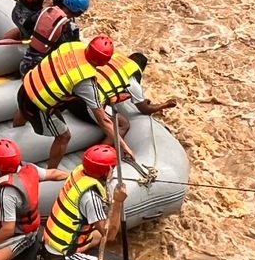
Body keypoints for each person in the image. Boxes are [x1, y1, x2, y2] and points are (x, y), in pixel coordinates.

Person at [14, 36, 169, 170]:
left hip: (26, 87)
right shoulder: (86, 82)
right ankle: (52, 171)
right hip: (39, 105)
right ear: (104, 62)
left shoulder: (73, 46)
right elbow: (104, 121)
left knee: (24, 109)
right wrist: (125, 147)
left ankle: (15, 130)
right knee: (64, 137)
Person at [39, 144, 127, 260]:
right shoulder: (91, 198)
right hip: (63, 255)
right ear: (107, 170)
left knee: (94, 235)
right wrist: (118, 202)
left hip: (55, 239)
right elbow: (110, 235)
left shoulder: (80, 172)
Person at [18, 0, 90, 75]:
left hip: (25, 62)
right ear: (78, 13)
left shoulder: (46, 10)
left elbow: (27, 25)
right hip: (39, 70)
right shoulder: (71, 27)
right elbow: (73, 51)